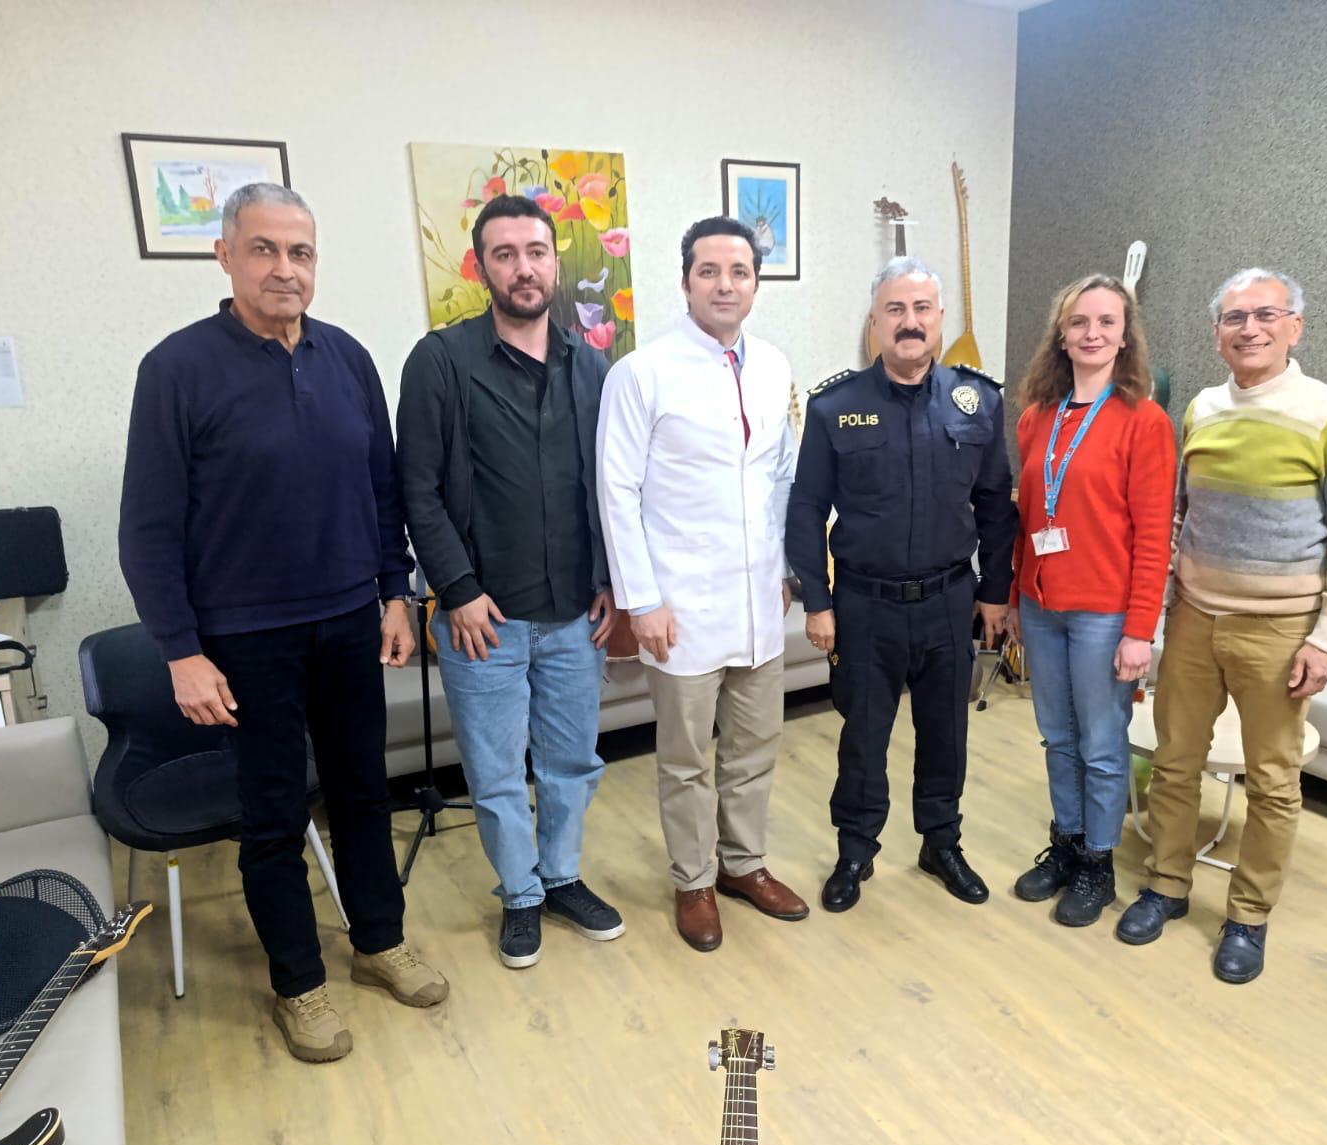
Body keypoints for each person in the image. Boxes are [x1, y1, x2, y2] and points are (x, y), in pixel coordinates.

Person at [118, 182, 447, 1064]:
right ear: (224, 255)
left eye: (300, 252)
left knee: (362, 795)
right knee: (272, 817)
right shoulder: (176, 369)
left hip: (348, 620)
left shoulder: (348, 359)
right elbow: (147, 529)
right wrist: (181, 652)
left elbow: (382, 490)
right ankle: (298, 985)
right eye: (263, 249)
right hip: (244, 639)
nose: (284, 269)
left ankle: (379, 942)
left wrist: (393, 592)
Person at [1115, 267, 1327, 984]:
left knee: (1272, 782)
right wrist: (1159, 603)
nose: (1250, 329)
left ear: (1295, 326)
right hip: (1194, 619)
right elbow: (1179, 515)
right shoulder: (1201, 408)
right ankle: (1167, 885)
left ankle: (1248, 916)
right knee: (1174, 764)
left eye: (1266, 315)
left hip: (1281, 632)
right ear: (1217, 334)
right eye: (1235, 318)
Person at [396, 193, 625, 971]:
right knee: (496, 773)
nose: (523, 268)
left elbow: (607, 485)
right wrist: (457, 590)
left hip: (574, 613)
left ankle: (560, 877)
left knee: (572, 764)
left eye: (535, 252)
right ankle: (520, 894)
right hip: (483, 618)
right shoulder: (441, 361)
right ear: (482, 267)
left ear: (555, 262)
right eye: (505, 254)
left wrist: (606, 577)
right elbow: (416, 488)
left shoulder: (591, 366)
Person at [596, 216, 809, 952]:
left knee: (754, 745)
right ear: (685, 282)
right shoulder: (642, 372)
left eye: (739, 272)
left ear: (755, 283)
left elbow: (781, 476)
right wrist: (642, 601)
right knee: (687, 761)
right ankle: (694, 880)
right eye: (709, 271)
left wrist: (787, 568)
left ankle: (743, 865)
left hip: (758, 598)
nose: (725, 285)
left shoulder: (774, 366)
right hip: (679, 605)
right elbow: (616, 491)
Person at [786, 256, 1017, 913]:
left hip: (949, 599)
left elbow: (996, 506)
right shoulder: (836, 407)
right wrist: (817, 602)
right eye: (895, 309)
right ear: (875, 321)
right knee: (863, 738)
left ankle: (941, 842)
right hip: (865, 605)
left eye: (921, 310)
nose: (909, 322)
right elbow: (806, 509)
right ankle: (855, 850)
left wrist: (995, 592)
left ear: (939, 319)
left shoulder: (978, 400)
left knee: (946, 732)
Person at [1007, 275, 1176, 926]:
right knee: (1058, 737)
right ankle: (1068, 844)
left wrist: (1140, 629)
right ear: (1061, 334)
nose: (1092, 333)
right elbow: (1029, 517)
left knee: (1102, 745)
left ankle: (1098, 866)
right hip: (1042, 606)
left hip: (1105, 614)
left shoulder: (1145, 421)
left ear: (1125, 336)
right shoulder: (1036, 418)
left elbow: (1154, 534)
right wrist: (1017, 596)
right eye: (1079, 322)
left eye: (1107, 322)